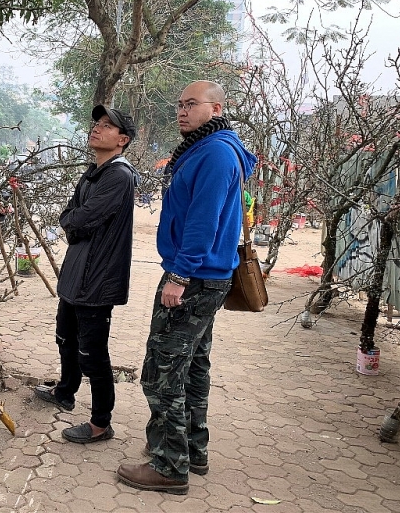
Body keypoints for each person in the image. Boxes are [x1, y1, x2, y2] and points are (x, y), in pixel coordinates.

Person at [116, 81, 256, 494]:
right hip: (205, 274)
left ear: (215, 108)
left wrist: (179, 276)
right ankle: (193, 449)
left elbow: (203, 221)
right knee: (193, 363)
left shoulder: (214, 153)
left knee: (161, 370)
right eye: (179, 104)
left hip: (193, 276)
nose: (182, 111)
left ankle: (169, 465)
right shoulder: (209, 147)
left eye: (191, 105)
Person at [34, 104, 140, 444]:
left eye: (108, 126)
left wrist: (74, 224)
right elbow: (71, 214)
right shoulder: (96, 169)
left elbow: (80, 220)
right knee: (65, 337)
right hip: (76, 273)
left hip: (97, 278)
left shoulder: (119, 176)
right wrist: (74, 223)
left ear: (122, 139)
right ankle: (65, 391)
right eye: (97, 122)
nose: (98, 128)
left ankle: (100, 423)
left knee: (92, 353)